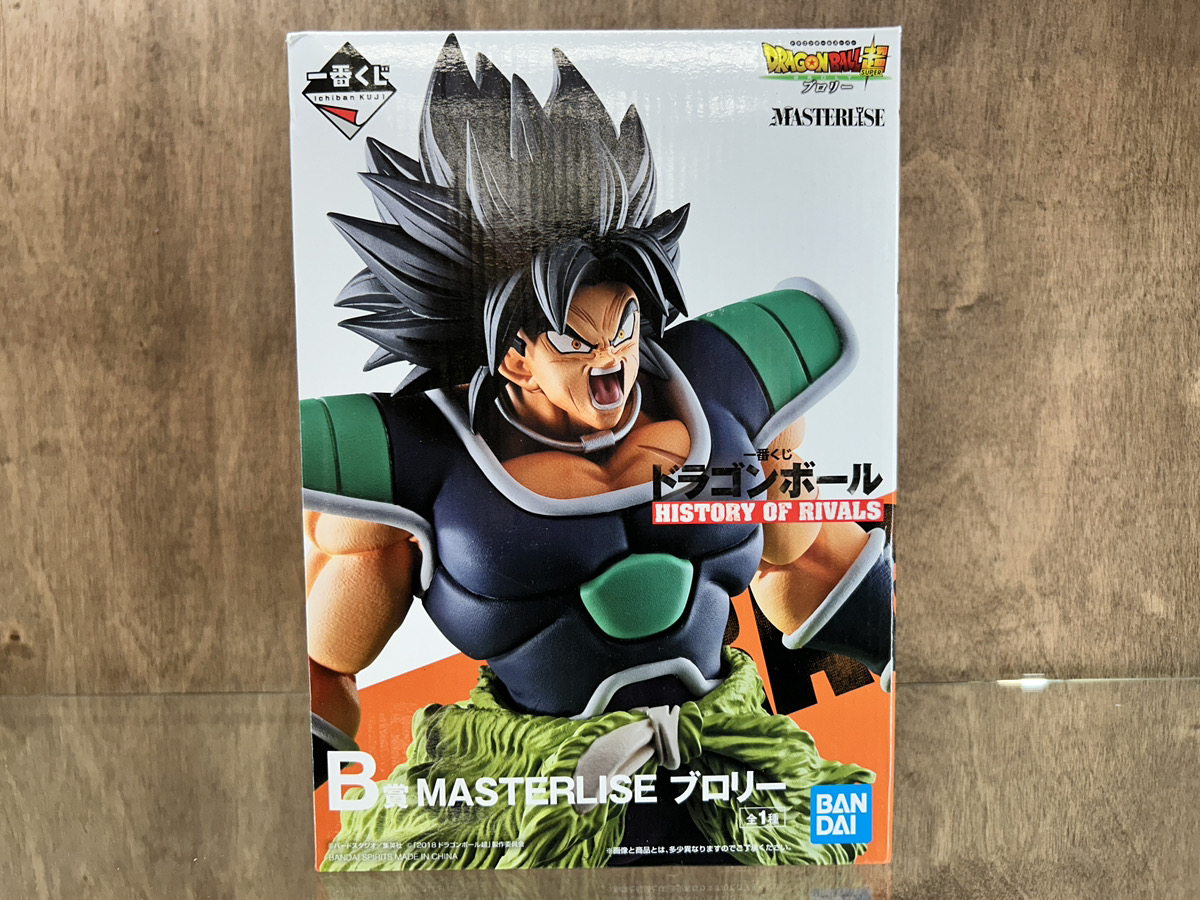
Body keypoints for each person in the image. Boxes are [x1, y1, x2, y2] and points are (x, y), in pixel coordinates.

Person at [301, 35, 892, 869]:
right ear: (513, 356)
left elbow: (810, 558)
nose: (613, 357)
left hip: (731, 763)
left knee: (847, 839)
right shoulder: (417, 464)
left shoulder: (730, 387)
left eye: (626, 325)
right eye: (579, 341)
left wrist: (911, 667)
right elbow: (320, 669)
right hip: (518, 795)